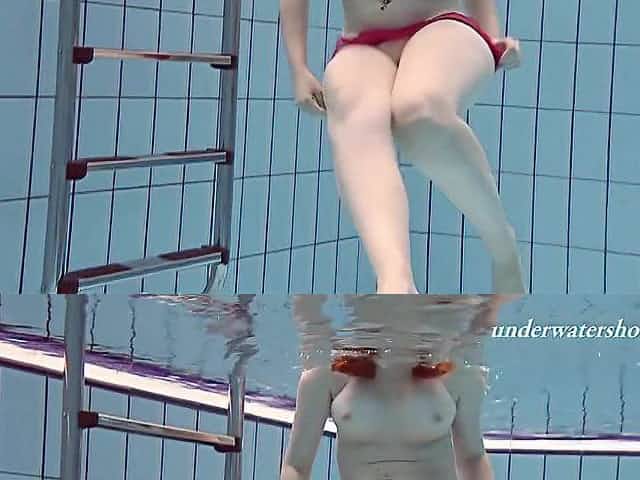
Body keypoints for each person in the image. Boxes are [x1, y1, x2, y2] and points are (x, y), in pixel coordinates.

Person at [279, 0, 525, 294]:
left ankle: (502, 246)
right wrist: (298, 67)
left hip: (442, 25)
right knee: (351, 106)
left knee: (420, 110)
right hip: (363, 41)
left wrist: (492, 35)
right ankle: (396, 284)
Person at [282, 294, 516, 480]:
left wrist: (492, 305)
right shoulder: (328, 376)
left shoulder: (455, 375)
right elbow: (297, 466)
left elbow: (473, 457)